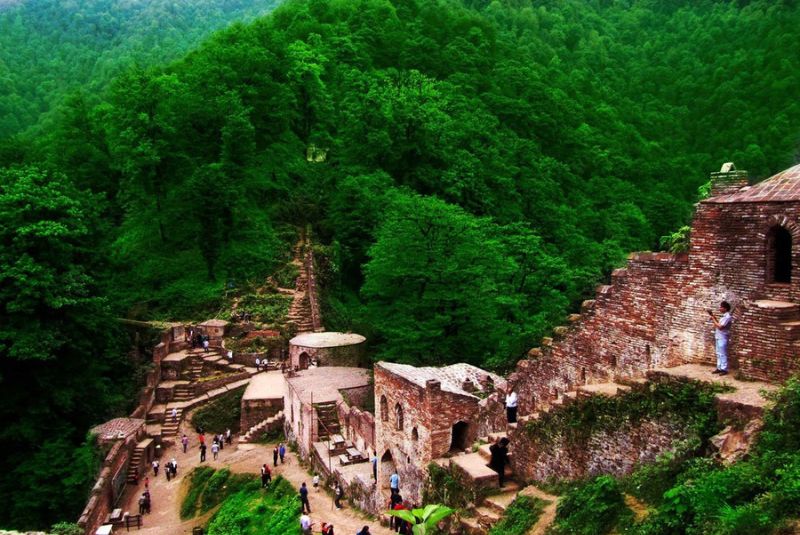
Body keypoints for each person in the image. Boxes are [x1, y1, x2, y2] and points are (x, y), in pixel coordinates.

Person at [708, 301, 733, 376]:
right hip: (718, 336)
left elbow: (720, 327)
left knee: (723, 353)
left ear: (725, 308)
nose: (720, 308)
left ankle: (724, 369)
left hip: (723, 337)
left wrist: (713, 319)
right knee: (718, 353)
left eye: (721, 307)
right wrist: (712, 315)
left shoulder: (727, 317)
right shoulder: (723, 316)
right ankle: (719, 367)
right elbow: (718, 323)